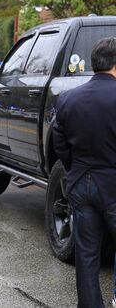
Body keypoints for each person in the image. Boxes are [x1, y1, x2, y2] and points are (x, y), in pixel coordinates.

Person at [53, 37, 116, 308]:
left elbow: (59, 141)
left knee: (87, 254)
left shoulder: (68, 99)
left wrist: (74, 168)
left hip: (80, 182)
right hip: (113, 183)